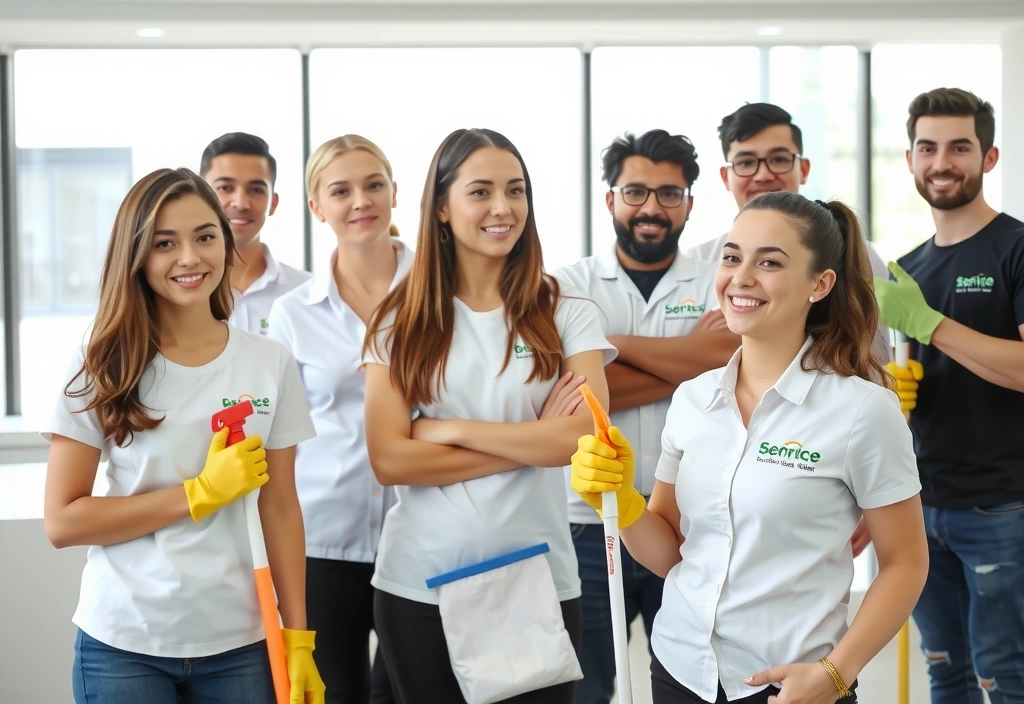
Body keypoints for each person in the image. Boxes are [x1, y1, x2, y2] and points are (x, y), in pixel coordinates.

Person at [573, 192, 929, 704]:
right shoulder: (693, 399)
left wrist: (834, 674)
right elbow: (672, 553)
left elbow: (906, 563)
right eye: (733, 256)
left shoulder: (862, 412)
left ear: (820, 284)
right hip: (680, 672)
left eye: (770, 262)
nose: (741, 277)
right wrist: (624, 503)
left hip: (792, 685)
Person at [42, 168, 324, 703]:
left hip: (241, 641)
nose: (190, 258)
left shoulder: (269, 362)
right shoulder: (102, 362)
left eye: (205, 237)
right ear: (136, 256)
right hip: (125, 642)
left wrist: (298, 637)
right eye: (165, 243)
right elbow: (63, 521)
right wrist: (198, 494)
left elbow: (281, 507)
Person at [361, 128, 615, 703]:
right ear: (443, 209)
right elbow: (390, 457)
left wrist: (447, 430)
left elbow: (582, 438)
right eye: (481, 192)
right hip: (420, 586)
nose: (503, 208)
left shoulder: (565, 312)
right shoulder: (398, 321)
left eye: (515, 190)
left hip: (539, 582)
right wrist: (531, 439)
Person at [553, 129, 737, 704]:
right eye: (635, 192)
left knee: (690, 678)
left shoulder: (719, 282)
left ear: (688, 203)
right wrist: (688, 364)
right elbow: (566, 394)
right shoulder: (566, 286)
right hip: (585, 524)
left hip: (688, 522)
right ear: (610, 199)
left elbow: (724, 360)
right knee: (586, 686)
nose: (651, 207)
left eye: (669, 193)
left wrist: (608, 346)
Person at [686, 102, 891, 555]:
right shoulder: (698, 263)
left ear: (803, 166)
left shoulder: (860, 257)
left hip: (812, 476)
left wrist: (877, 487)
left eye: (778, 158)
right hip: (715, 477)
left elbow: (873, 365)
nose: (762, 173)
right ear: (726, 176)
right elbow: (688, 369)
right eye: (746, 161)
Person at [874, 87, 1024, 704]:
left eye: (959, 147)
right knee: (948, 674)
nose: (942, 162)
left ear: (988, 157)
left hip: (1002, 508)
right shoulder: (907, 268)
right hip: (919, 506)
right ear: (909, 160)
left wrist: (931, 325)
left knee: (1004, 677)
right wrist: (891, 389)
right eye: (927, 148)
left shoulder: (1016, 248)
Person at [267, 135, 407, 704]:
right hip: (323, 544)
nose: (361, 201)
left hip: (422, 533)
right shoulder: (293, 313)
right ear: (316, 207)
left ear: (395, 193)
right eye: (340, 190)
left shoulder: (441, 293)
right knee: (332, 696)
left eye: (374, 184)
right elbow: (279, 439)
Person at [201, 132, 311, 335]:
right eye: (225, 187)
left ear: (273, 203)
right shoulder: (180, 292)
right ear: (199, 195)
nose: (241, 203)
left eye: (256, 190)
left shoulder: (307, 293)